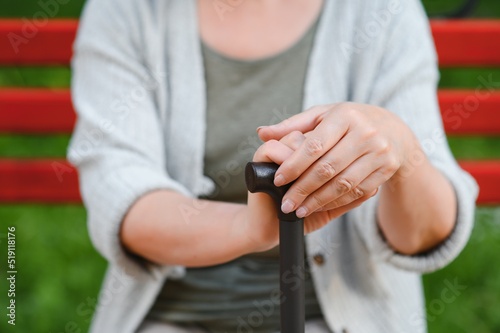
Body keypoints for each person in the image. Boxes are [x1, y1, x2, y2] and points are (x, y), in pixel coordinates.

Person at [68, 0, 478, 332]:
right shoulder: (125, 11)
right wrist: (250, 229)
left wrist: (403, 152)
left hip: (339, 318)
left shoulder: (381, 11)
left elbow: (423, 235)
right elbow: (122, 196)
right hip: (172, 317)